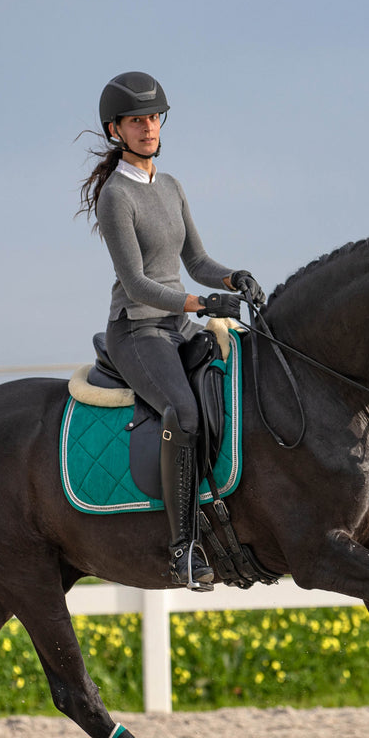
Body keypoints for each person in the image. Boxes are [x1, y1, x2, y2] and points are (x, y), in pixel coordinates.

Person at [78, 71, 264, 591]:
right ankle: (183, 548)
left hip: (177, 324)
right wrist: (203, 302)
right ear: (115, 130)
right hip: (137, 330)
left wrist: (233, 278)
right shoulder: (116, 195)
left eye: (153, 118)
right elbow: (137, 283)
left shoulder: (172, 186)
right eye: (136, 121)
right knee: (181, 412)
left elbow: (197, 259)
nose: (148, 127)